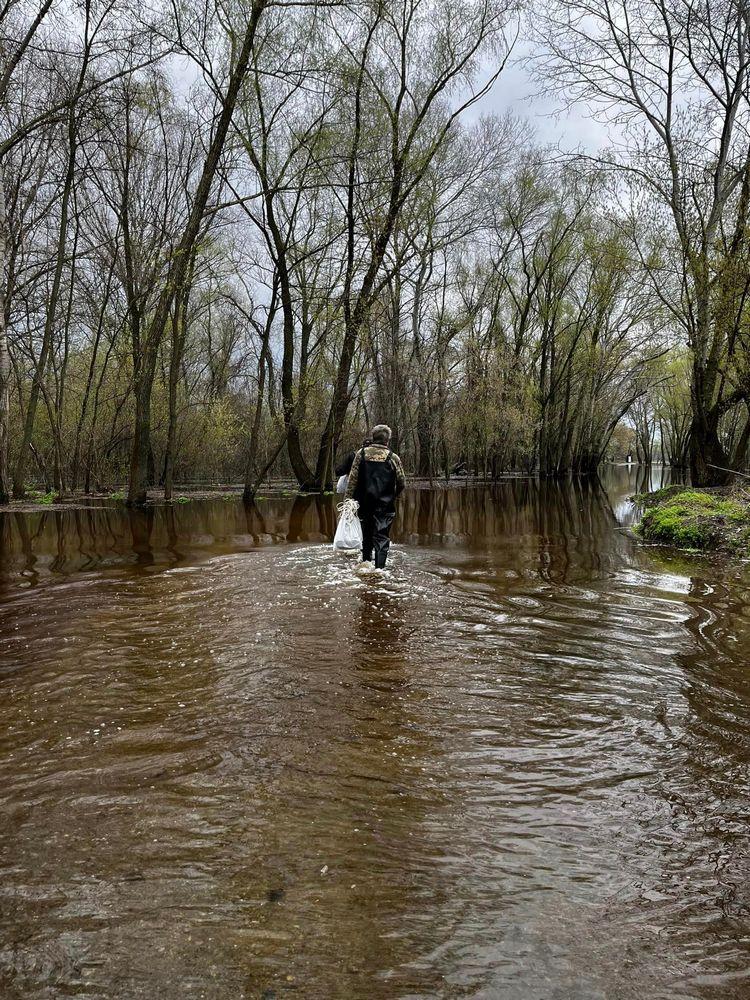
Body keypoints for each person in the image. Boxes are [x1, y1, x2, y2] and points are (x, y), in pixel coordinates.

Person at [345, 424, 406, 568]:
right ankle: (380, 570)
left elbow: (352, 481)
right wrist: (393, 496)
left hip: (364, 503)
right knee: (382, 537)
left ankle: (366, 563)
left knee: (366, 536)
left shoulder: (361, 454)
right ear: (387, 440)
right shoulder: (393, 458)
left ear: (373, 438)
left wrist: (347, 502)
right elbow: (402, 482)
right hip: (385, 504)